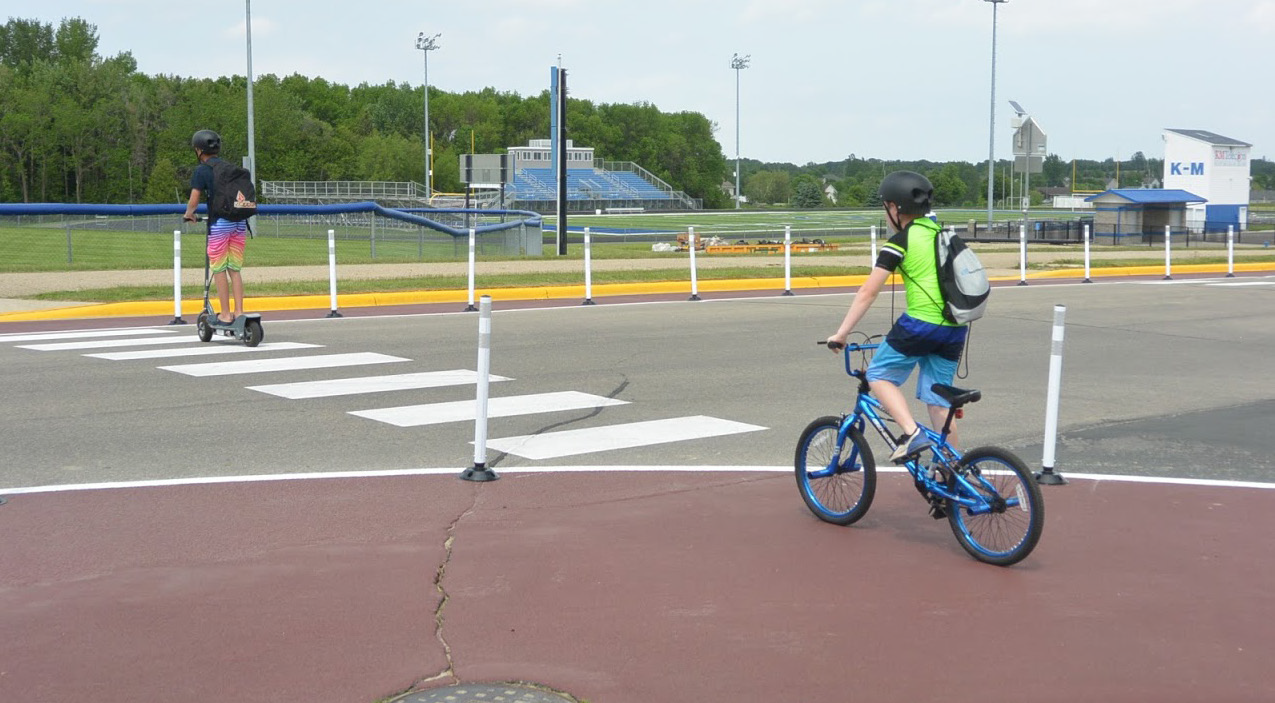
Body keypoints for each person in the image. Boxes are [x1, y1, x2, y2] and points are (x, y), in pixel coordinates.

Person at [825, 171, 969, 462]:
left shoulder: (901, 241)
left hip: (920, 325)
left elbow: (868, 292)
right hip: (955, 327)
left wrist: (841, 334)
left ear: (895, 208)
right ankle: (953, 471)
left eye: (886, 206)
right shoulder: (943, 234)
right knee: (939, 400)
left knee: (878, 374)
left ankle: (911, 433)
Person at [182, 129, 246, 325]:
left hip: (219, 224)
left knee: (218, 268)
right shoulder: (230, 167)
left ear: (199, 150)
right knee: (234, 269)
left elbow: (194, 199)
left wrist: (189, 214)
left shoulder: (202, 170)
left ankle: (225, 314)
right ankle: (240, 312)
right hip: (240, 222)